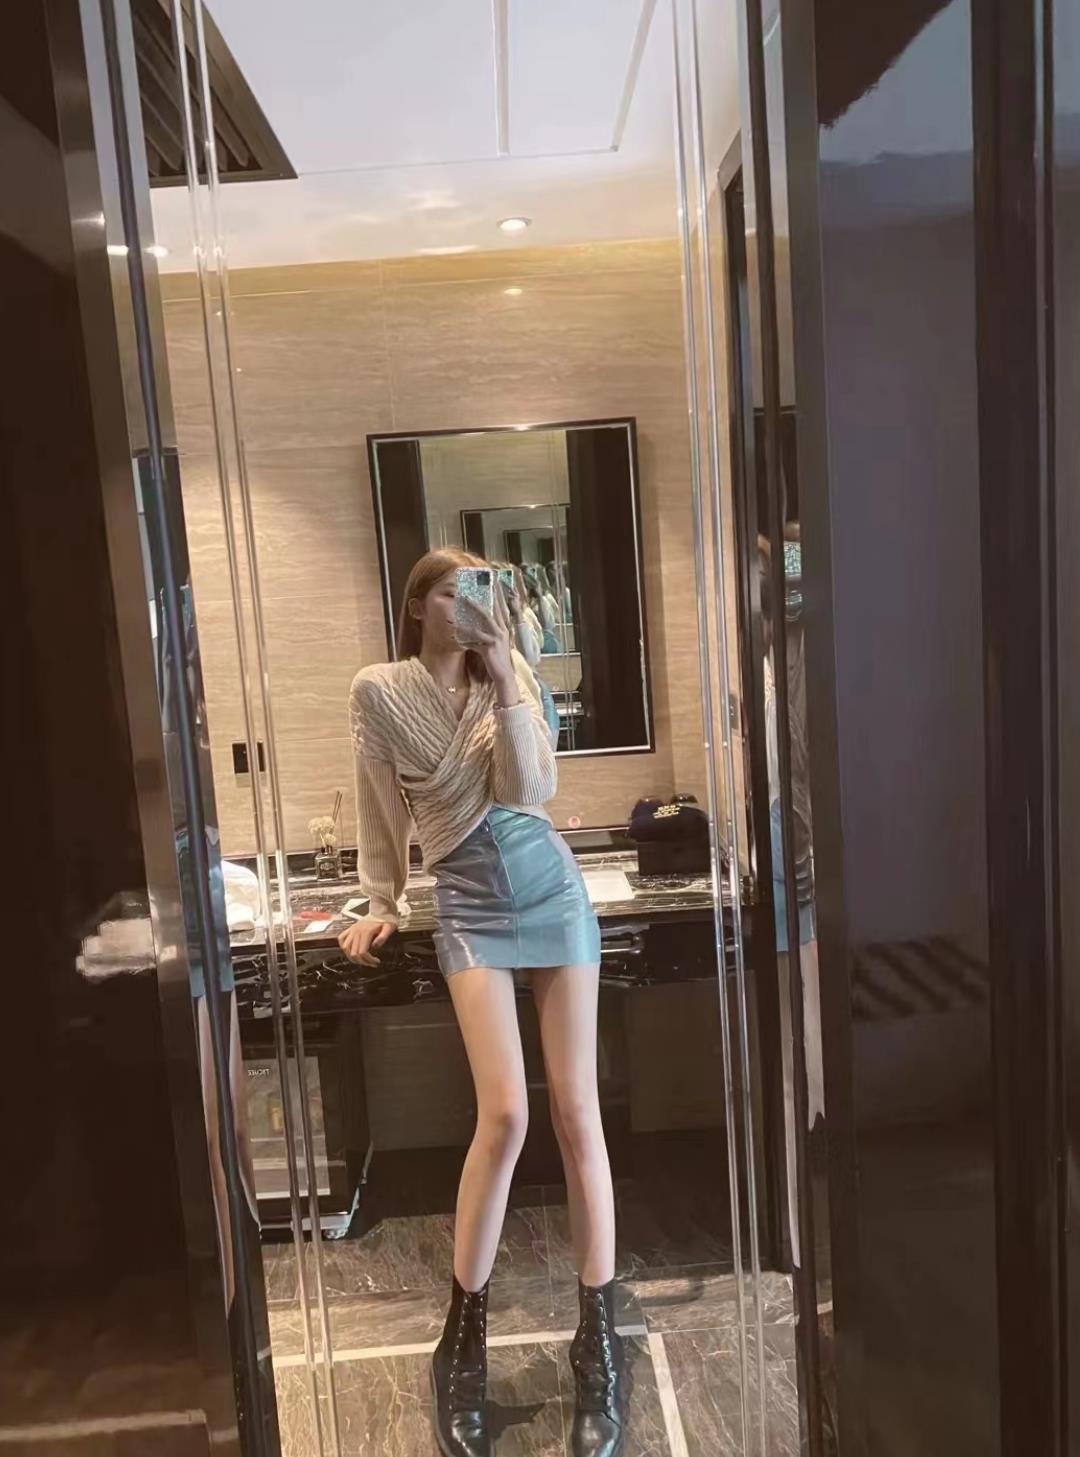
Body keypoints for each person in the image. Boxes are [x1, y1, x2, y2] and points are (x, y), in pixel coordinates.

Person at [339, 547, 626, 1457]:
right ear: (420, 603)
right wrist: (382, 899)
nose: (474, 599)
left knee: (577, 1112)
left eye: (485, 585)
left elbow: (531, 789)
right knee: (503, 1115)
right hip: (465, 905)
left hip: (553, 894)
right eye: (456, 588)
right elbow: (380, 804)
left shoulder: (514, 672)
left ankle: (599, 1343)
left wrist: (504, 672)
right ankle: (460, 1342)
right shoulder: (380, 690)